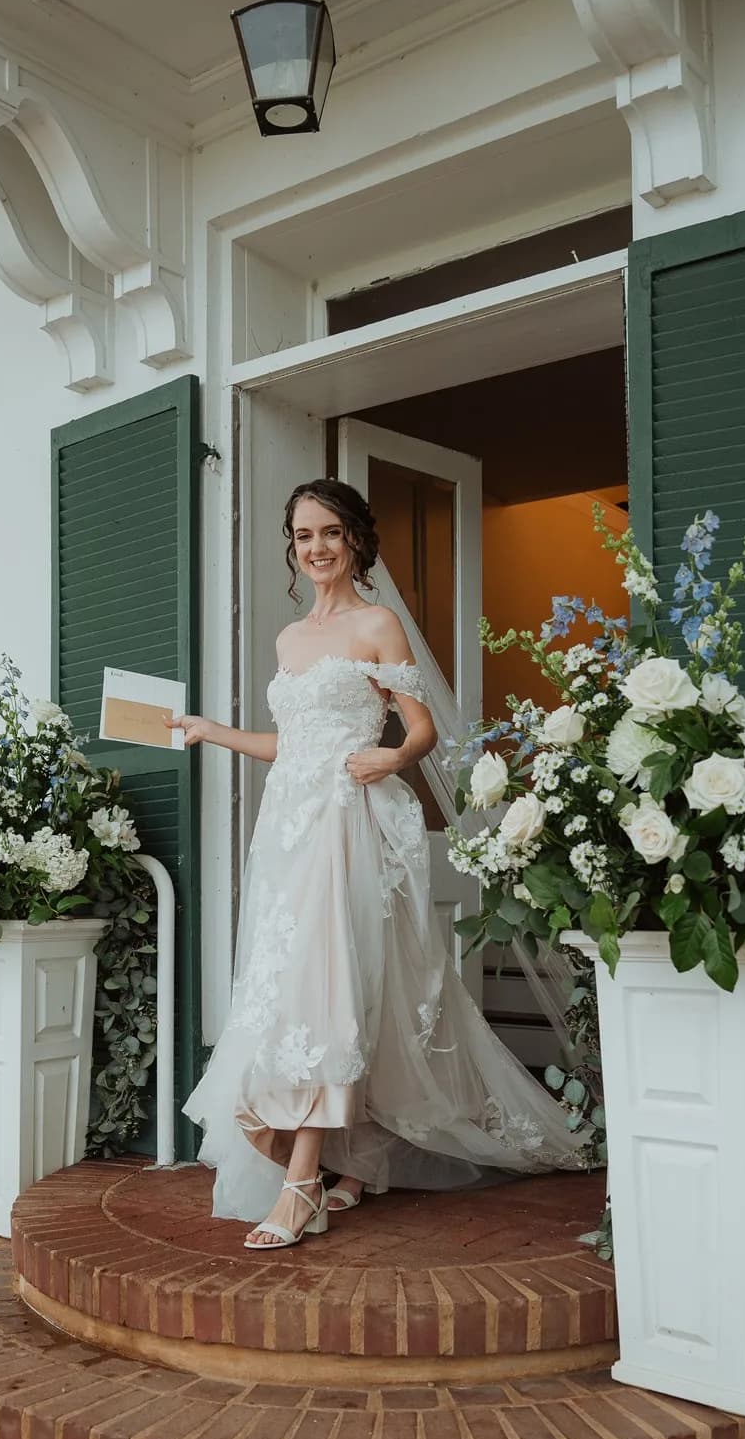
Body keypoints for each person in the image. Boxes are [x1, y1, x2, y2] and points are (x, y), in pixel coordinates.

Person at [172, 478, 583, 1250]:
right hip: (289, 831)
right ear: (291, 548)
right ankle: (348, 1163)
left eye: (329, 532)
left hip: (350, 823)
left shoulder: (378, 623)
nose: (316, 547)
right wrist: (210, 731)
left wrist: (390, 755)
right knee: (287, 983)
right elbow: (286, 746)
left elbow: (423, 730)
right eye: (302, 536)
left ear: (355, 538)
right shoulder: (289, 642)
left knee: (327, 987)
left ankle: (302, 1185)